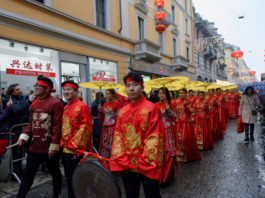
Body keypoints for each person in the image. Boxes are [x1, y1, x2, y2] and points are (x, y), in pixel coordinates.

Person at [110, 72, 164, 198]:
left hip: (147, 164)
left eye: (135, 85)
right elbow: (118, 136)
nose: (132, 89)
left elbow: (155, 137)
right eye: (128, 86)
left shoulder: (151, 109)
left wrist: (143, 162)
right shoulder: (123, 111)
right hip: (128, 164)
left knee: (152, 194)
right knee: (130, 194)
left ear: (142, 87)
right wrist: (122, 159)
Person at [16, 75, 63, 198]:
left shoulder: (56, 103)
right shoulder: (34, 104)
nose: (35, 88)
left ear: (47, 89)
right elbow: (30, 124)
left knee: (55, 173)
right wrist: (23, 137)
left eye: (38, 86)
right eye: (35, 86)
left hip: (49, 148)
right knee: (28, 175)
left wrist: (53, 147)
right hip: (34, 147)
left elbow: (57, 126)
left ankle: (56, 194)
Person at [60, 80, 93, 198]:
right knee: (69, 178)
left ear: (76, 91)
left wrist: (74, 144)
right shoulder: (66, 107)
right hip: (65, 148)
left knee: (77, 179)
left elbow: (86, 127)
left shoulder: (82, 106)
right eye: (64, 90)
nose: (66, 92)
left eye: (69, 90)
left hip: (76, 149)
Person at [6, 83, 31, 178]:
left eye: (20, 89)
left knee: (21, 152)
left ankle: (19, 170)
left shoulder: (21, 98)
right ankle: (14, 172)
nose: (20, 91)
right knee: (15, 153)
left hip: (22, 128)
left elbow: (27, 110)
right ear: (12, 92)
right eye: (17, 90)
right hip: (14, 130)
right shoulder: (8, 99)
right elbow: (16, 110)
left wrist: (25, 103)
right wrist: (26, 102)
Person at [172, 89, 201, 162]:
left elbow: (192, 111)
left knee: (186, 139)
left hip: (186, 123)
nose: (181, 94)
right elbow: (173, 111)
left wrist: (187, 107)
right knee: (178, 139)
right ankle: (179, 156)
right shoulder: (175, 101)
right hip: (178, 123)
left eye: (182, 93)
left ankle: (187, 156)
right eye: (180, 93)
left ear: (186, 94)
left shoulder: (189, 101)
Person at [155, 87, 176, 184]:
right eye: (159, 93)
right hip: (158, 130)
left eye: (163, 93)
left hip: (167, 130)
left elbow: (174, 115)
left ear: (166, 94)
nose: (161, 95)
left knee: (168, 152)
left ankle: (167, 174)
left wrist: (168, 109)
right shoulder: (155, 105)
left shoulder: (170, 104)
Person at [98, 89, 120, 167]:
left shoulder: (117, 104)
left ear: (113, 95)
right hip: (105, 126)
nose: (107, 95)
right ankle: (105, 161)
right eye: (106, 94)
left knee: (111, 143)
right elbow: (102, 116)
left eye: (108, 94)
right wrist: (101, 111)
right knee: (104, 143)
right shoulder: (104, 104)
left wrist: (118, 128)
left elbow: (118, 116)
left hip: (113, 126)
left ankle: (112, 161)